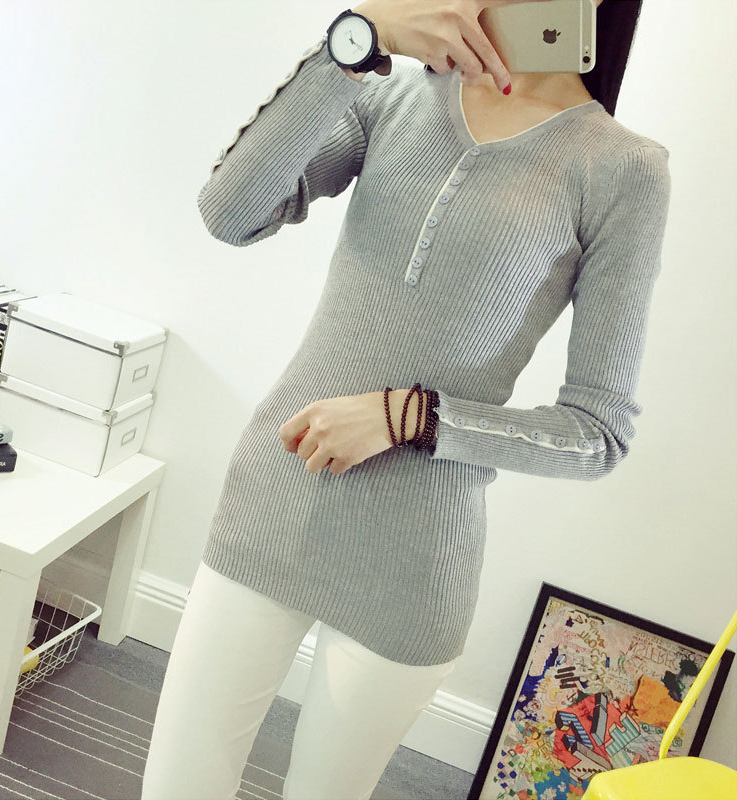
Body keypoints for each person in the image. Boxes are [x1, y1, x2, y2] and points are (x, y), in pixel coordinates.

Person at [142, 0, 671, 798]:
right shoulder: (389, 94)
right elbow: (230, 212)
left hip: (414, 565)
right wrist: (354, 41)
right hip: (274, 501)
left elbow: (597, 433)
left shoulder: (623, 168)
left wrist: (411, 417)